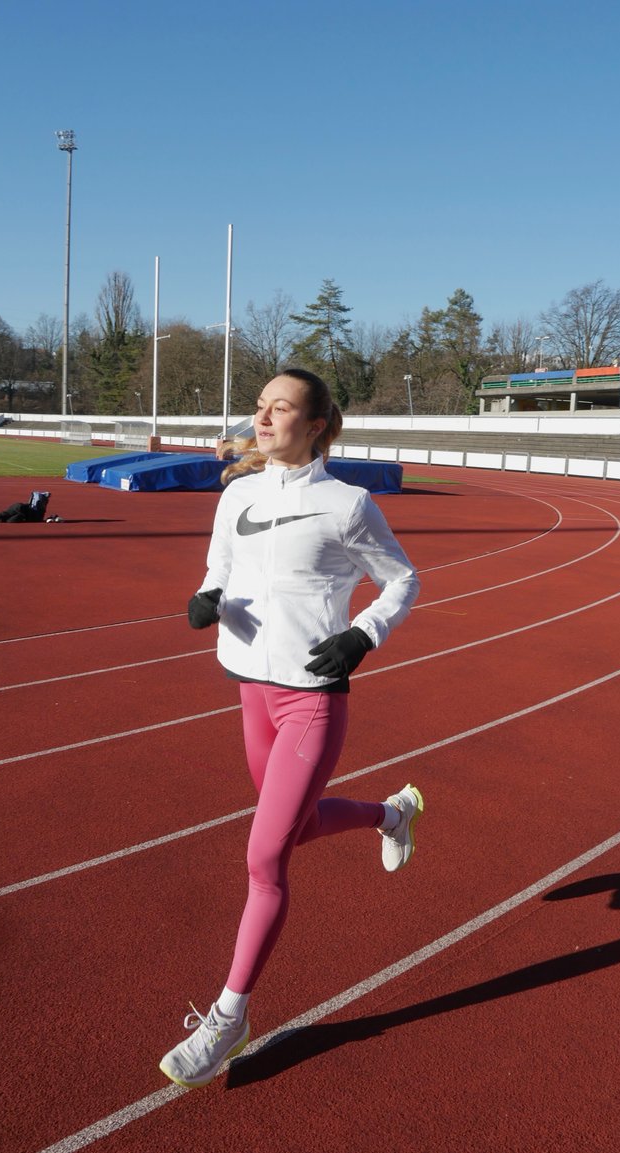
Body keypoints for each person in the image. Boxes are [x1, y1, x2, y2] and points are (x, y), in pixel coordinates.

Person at [159, 368, 423, 1089]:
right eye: (261, 405)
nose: (264, 416)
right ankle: (391, 812)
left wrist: (363, 634)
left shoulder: (348, 504)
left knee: (264, 858)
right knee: (297, 830)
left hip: (311, 699)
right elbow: (222, 562)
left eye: (282, 408)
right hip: (252, 693)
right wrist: (208, 596)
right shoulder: (238, 493)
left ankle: (228, 1015)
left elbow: (401, 579)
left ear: (315, 424)